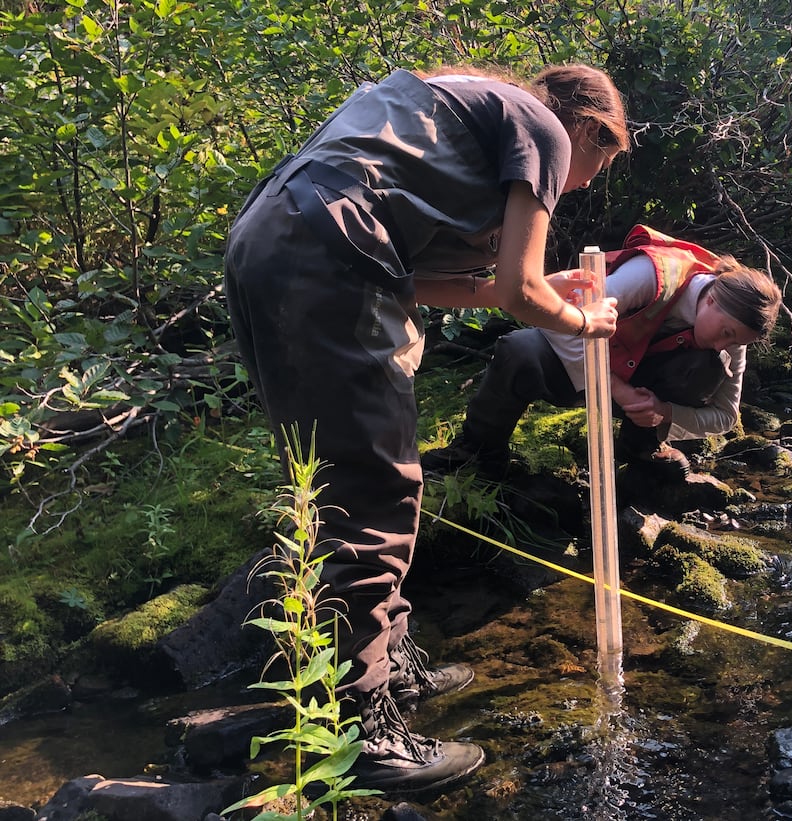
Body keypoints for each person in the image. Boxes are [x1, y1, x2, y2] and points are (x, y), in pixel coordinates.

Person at [223, 63, 628, 793]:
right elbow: (519, 292)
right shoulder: (541, 129)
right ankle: (360, 729)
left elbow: (421, 281)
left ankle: (390, 665)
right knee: (371, 496)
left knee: (339, 475)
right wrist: (582, 317)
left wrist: (535, 289)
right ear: (589, 128)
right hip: (328, 259)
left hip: (273, 241)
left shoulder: (455, 112)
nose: (591, 180)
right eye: (604, 156)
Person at [421, 224, 783, 480]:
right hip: (578, 368)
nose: (726, 346)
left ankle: (642, 447)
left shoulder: (733, 333)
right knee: (520, 349)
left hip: (640, 397)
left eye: (735, 343)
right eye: (725, 334)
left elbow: (724, 417)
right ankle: (478, 452)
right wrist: (619, 391)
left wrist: (663, 412)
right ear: (713, 300)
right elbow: (556, 323)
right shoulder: (650, 276)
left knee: (703, 365)